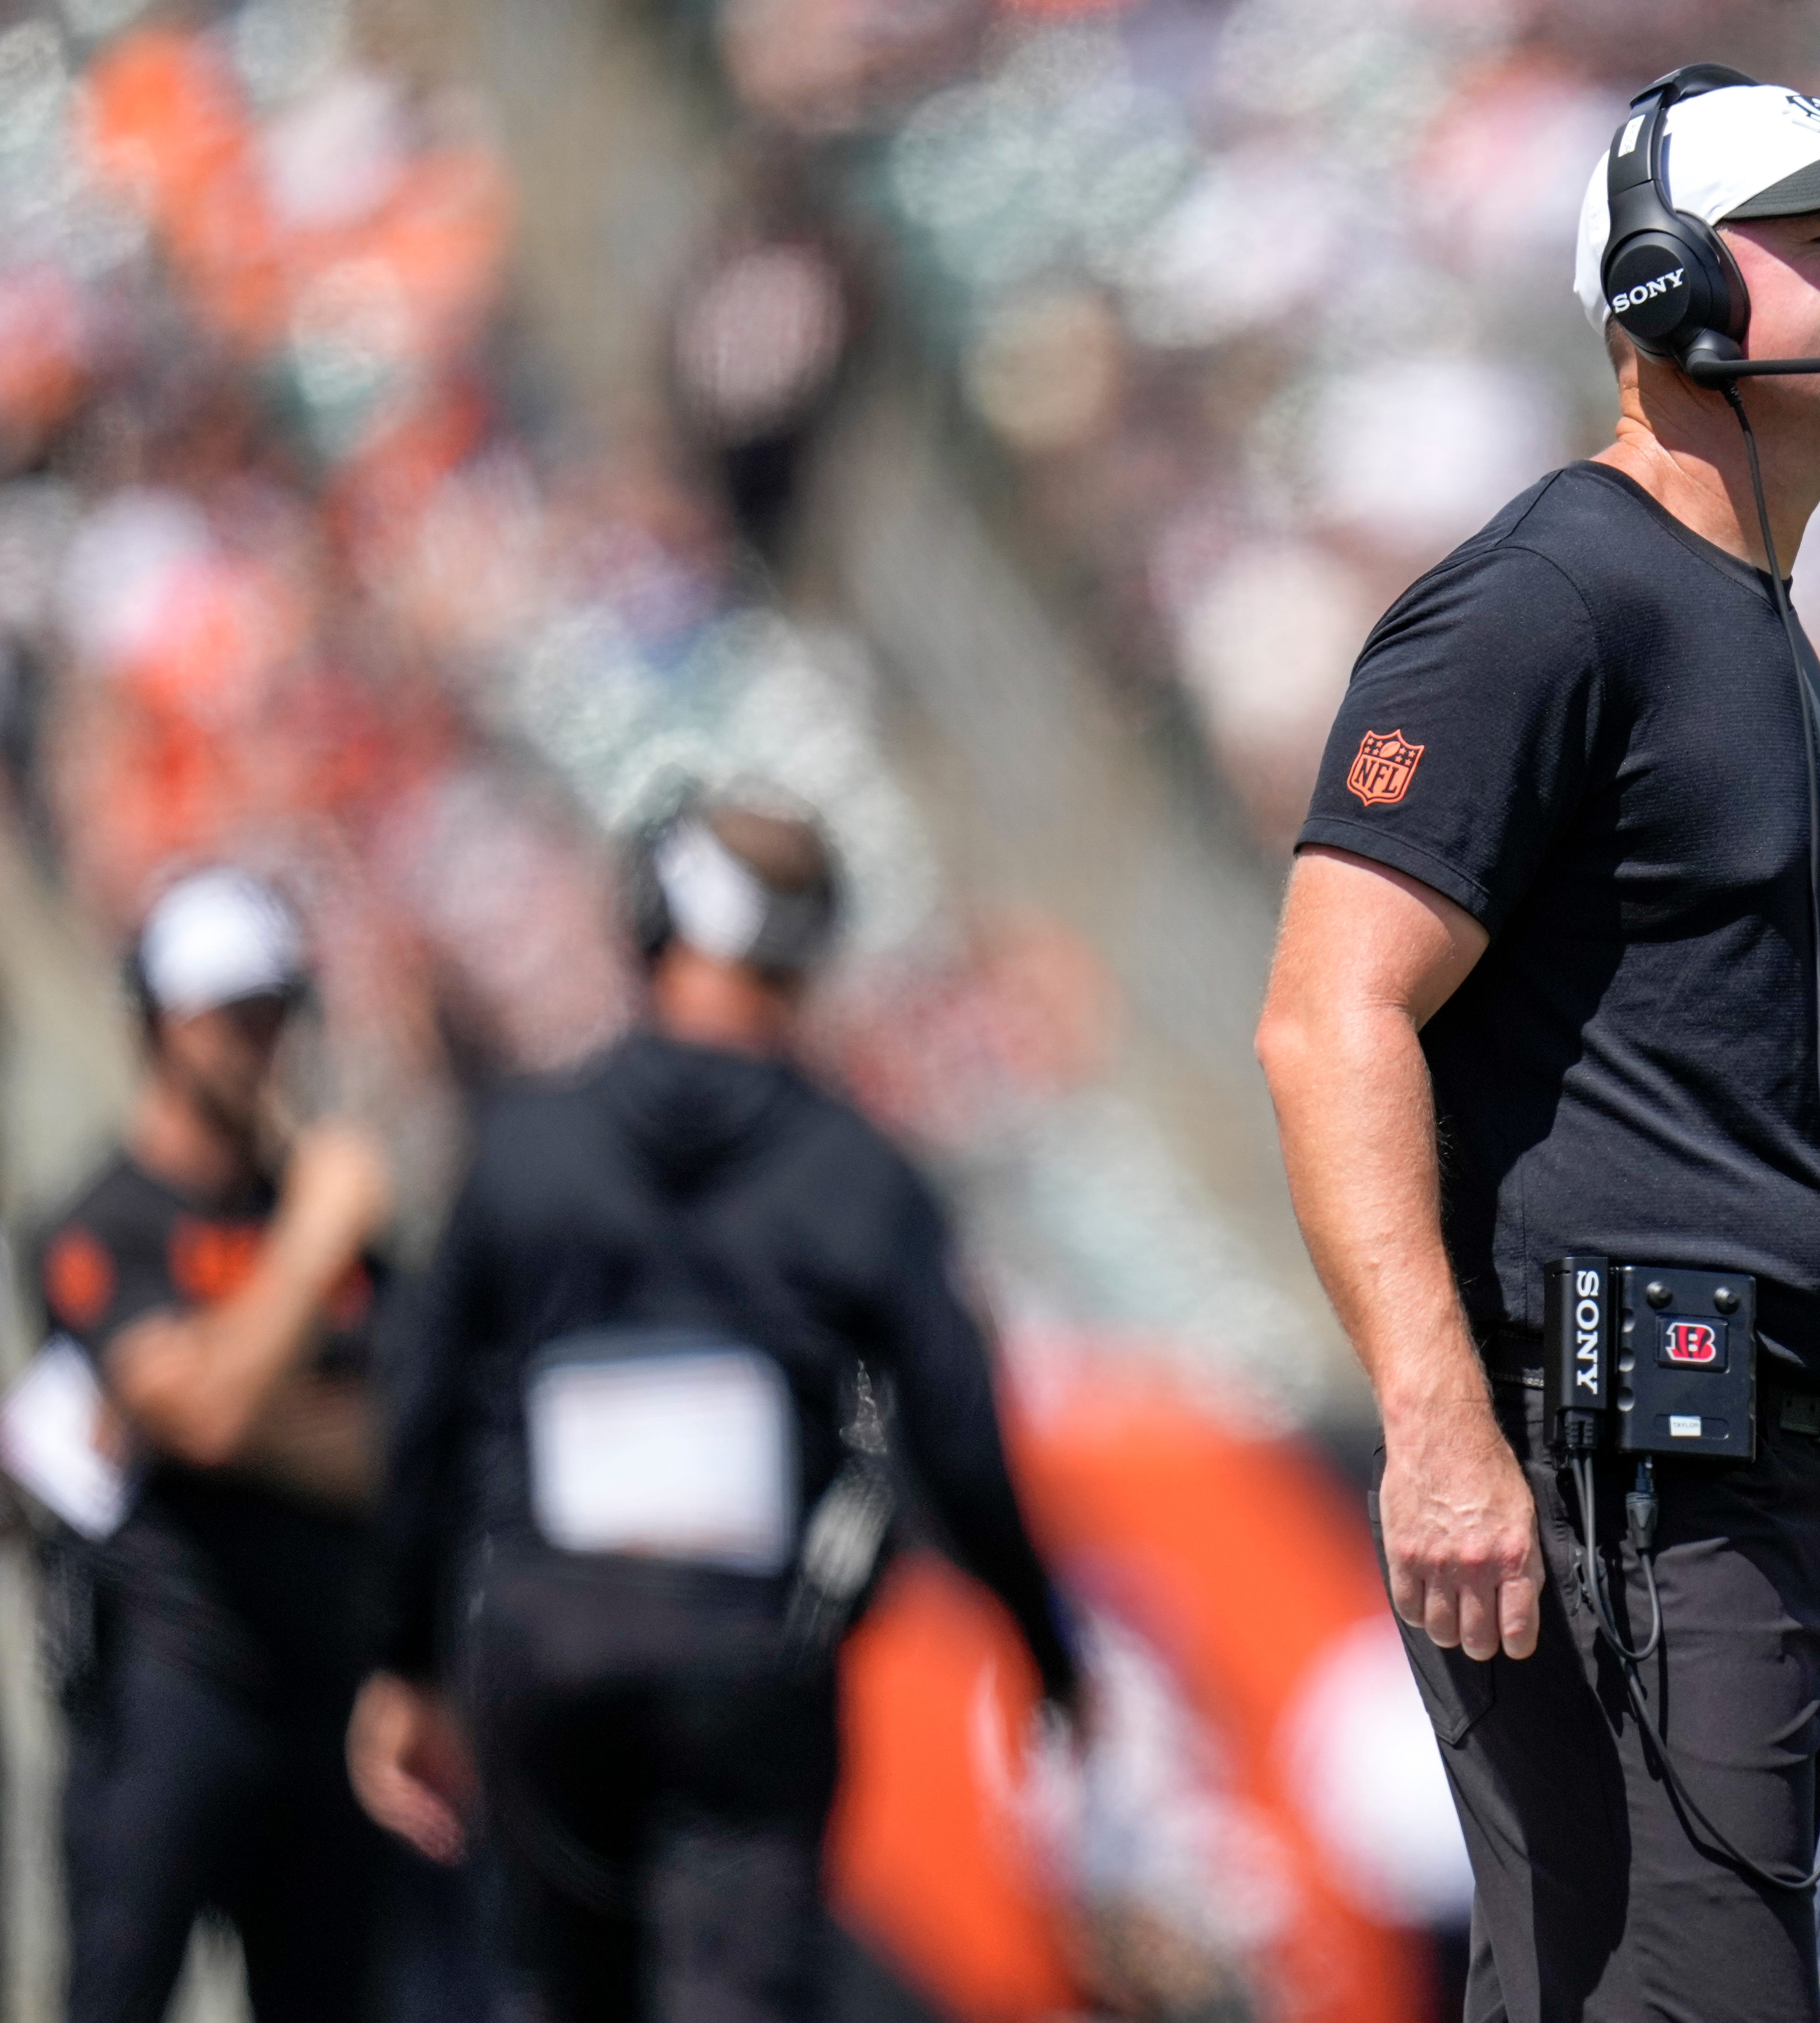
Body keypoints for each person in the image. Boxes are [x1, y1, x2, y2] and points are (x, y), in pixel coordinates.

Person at [1254, 67, 1820, 2020]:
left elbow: (1765, 1127)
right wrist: (1435, 1431)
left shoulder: (1739, 618)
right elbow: (1331, 1016)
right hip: (1614, 1468)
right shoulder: (1549, 598)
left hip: (1744, 1467)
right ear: (1660, 285)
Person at [347, 796, 1082, 2021]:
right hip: (742, 1660)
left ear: (651, 924)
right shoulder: (852, 1171)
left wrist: (404, 1660)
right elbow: (957, 1423)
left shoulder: (525, 1147)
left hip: (539, 1643)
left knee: (559, 1992)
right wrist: (1044, 1646)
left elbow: (421, 1412)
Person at [26, 866, 402, 2021]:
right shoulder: (108, 1221)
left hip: (326, 1696)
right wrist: (307, 1247)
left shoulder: (334, 1228)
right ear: (160, 1020)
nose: (260, 1041)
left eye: (277, 1009)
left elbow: (396, 1446)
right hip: (167, 1692)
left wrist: (227, 1392)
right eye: (231, 1014)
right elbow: (202, 1412)